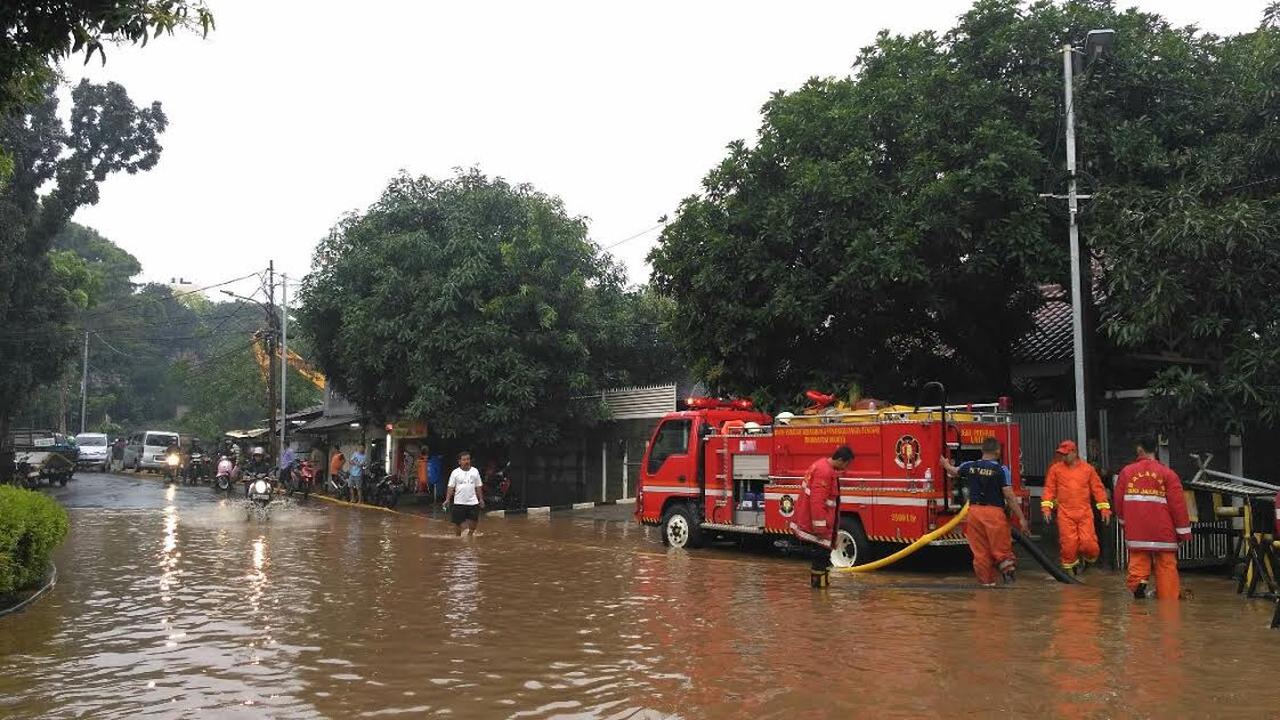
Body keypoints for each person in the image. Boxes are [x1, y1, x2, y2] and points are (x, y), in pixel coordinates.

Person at [942, 437, 1028, 587]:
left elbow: (952, 471)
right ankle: (1010, 585)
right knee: (1002, 550)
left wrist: (943, 461)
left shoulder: (970, 466)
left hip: (974, 513)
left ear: (982, 451)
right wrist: (1021, 518)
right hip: (994, 512)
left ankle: (986, 588)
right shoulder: (1001, 470)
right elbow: (1009, 495)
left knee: (980, 553)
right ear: (998, 452)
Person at [1114, 436, 1191, 600]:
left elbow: (1118, 502)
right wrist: (1183, 533)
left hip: (1138, 531)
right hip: (1164, 532)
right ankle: (1169, 607)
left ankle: (1139, 585)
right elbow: (1178, 507)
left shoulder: (1126, 472)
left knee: (1138, 562)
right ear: (1155, 449)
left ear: (1139, 449)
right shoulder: (1168, 474)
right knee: (1166, 567)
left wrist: (1124, 524)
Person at [789, 445, 854, 588]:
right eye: (846, 464)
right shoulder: (824, 472)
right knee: (821, 561)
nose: (845, 468)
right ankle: (820, 596)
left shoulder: (820, 466)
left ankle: (820, 597)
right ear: (841, 460)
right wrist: (822, 530)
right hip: (819, 528)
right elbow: (817, 503)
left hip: (818, 525)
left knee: (821, 561)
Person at [1042, 439, 1111, 574]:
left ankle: (1087, 561)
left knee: (1089, 544)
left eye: (1066, 454)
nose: (1063, 456)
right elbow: (1049, 489)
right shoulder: (1055, 469)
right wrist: (1046, 508)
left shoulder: (1088, 469)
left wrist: (1105, 509)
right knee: (1068, 546)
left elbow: (1098, 489)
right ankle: (1071, 579)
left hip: (1084, 512)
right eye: (1062, 454)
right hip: (1065, 513)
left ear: (1074, 453)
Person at [445, 451, 485, 537]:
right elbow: (451, 487)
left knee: (474, 521)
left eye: (468, 459)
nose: (466, 461)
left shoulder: (475, 471)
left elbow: (478, 486)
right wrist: (447, 499)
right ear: (459, 462)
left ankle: (470, 535)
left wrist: (481, 499)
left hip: (473, 502)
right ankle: (458, 537)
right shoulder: (455, 472)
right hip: (459, 502)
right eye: (464, 460)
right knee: (457, 522)